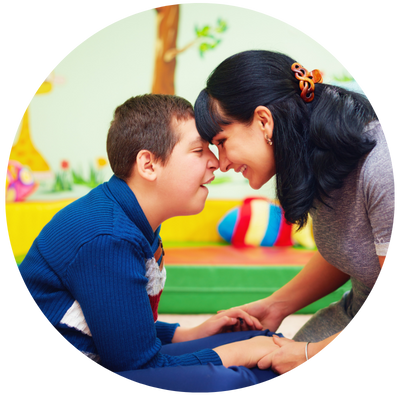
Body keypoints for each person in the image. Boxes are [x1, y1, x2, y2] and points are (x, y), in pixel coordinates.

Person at [16, 94, 284, 395]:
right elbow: (137, 368)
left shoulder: (133, 219)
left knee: (266, 342)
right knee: (242, 374)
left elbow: (120, 328)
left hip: (111, 356)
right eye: (199, 150)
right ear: (148, 164)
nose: (216, 162)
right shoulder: (108, 238)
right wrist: (241, 355)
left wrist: (192, 333)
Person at [194, 50, 396, 376]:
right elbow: (350, 248)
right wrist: (275, 306)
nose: (221, 162)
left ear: (263, 121)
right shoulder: (314, 153)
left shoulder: (382, 166)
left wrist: (307, 353)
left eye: (222, 141)